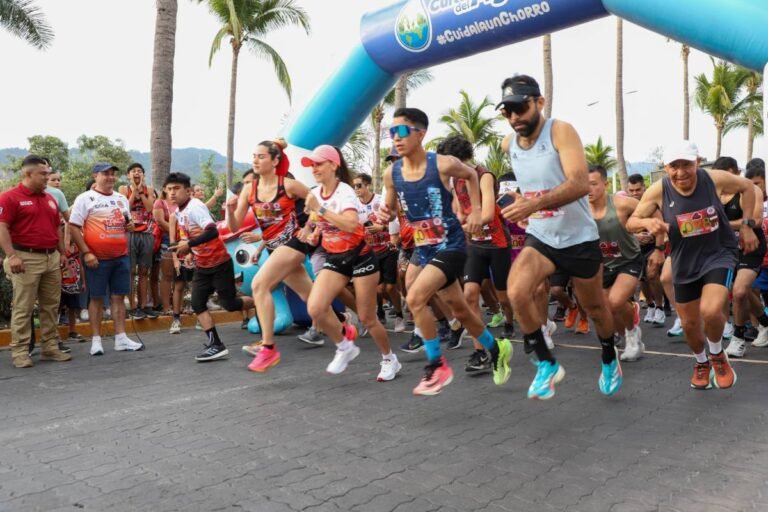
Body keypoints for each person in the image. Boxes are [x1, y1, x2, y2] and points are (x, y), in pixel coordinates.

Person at [497, 74, 621, 400]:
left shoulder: (560, 131)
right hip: (542, 236)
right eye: (507, 111)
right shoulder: (508, 145)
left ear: (538, 102)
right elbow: (527, 185)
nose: (514, 117)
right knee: (516, 290)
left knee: (595, 308)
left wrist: (532, 203)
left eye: (520, 108)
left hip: (579, 238)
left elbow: (580, 183)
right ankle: (546, 363)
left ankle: (609, 354)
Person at [379, 107, 512, 396]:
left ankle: (436, 365)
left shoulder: (442, 164)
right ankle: (496, 348)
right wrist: (383, 215)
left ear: (420, 133)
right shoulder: (392, 173)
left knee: (414, 296)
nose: (396, 138)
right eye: (392, 133)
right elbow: (390, 208)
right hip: (423, 247)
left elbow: (472, 175)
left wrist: (476, 210)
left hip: (451, 244)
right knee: (461, 310)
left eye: (401, 131)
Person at [627, 141, 757, 390]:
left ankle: (718, 354)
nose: (680, 172)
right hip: (684, 259)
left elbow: (748, 187)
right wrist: (647, 223)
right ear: (666, 167)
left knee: (710, 310)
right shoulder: (658, 190)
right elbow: (631, 221)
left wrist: (748, 226)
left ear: (696, 162)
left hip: (719, 253)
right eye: (674, 166)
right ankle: (701, 361)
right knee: (688, 323)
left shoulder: (713, 179)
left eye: (686, 164)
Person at [228, 140, 336, 370]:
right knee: (311, 298)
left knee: (259, 285)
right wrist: (229, 209)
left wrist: (310, 229)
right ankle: (345, 332)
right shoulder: (249, 190)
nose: (255, 160)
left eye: (261, 156)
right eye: (254, 156)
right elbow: (235, 224)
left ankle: (268, 348)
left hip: (295, 244)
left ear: (275, 160)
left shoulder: (289, 185)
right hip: (274, 249)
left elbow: (317, 203)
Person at [297, 146, 401, 380]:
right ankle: (345, 346)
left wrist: (319, 209)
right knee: (315, 307)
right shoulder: (315, 193)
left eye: (319, 163)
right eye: (311, 165)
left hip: (360, 256)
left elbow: (351, 225)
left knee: (367, 318)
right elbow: (316, 221)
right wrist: (311, 232)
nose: (314, 168)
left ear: (333, 165)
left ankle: (389, 359)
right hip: (335, 257)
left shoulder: (345, 192)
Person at [435, 135, 515, 367]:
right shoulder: (456, 181)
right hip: (474, 245)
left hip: (497, 242)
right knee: (470, 294)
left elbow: (488, 213)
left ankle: (509, 320)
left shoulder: (484, 176)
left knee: (503, 296)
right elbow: (458, 210)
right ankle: (479, 351)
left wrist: (463, 223)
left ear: (460, 160)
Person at [165, 172, 255, 361]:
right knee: (198, 304)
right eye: (169, 189)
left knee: (229, 304)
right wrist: (190, 252)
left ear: (188, 191)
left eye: (176, 188)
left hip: (220, 263)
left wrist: (188, 246)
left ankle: (262, 302)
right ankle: (216, 345)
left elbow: (212, 231)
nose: (172, 193)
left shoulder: (195, 207)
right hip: (202, 266)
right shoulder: (179, 212)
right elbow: (193, 236)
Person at [0, 155, 71, 368]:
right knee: (24, 306)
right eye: (43, 174)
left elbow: (57, 228)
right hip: (25, 258)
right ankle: (20, 351)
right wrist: (12, 255)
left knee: (51, 306)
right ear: (27, 174)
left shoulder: (50, 198)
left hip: (51, 257)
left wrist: (63, 253)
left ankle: (50, 347)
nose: (47, 177)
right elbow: (1, 226)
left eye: (48, 173)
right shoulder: (9, 197)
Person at [69, 163, 144, 356]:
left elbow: (127, 223)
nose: (110, 177)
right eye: (105, 174)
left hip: (121, 256)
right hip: (96, 258)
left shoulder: (121, 199)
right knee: (96, 299)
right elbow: (74, 227)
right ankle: (96, 341)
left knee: (119, 297)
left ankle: (121, 339)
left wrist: (130, 227)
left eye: (112, 174)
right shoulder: (85, 198)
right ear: (95, 176)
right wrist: (86, 252)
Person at [589, 165, 662, 361]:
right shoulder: (581, 209)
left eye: (593, 184)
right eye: (584, 184)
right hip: (603, 264)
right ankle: (624, 333)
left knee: (616, 301)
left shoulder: (622, 204)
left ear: (605, 184)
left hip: (628, 260)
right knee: (609, 308)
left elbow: (654, 212)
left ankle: (633, 336)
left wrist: (658, 246)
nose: (588, 189)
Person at [711, 157, 768, 357]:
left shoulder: (750, 191)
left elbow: (757, 220)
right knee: (744, 292)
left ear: (734, 172)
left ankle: (738, 338)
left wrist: (725, 224)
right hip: (726, 250)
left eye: (722, 175)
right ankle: (765, 322)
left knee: (741, 291)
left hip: (751, 247)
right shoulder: (714, 194)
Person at [353, 172, 406, 333]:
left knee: (389, 288)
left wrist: (381, 228)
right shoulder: (354, 205)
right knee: (377, 289)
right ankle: (380, 313)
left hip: (387, 247)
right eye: (354, 186)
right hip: (369, 251)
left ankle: (399, 315)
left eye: (359, 185)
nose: (356, 189)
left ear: (367, 185)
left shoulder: (380, 200)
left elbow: (394, 220)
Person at [118, 163, 158, 320]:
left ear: (143, 175)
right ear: (128, 175)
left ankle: (144, 306)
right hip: (130, 233)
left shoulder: (149, 189)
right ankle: (133, 307)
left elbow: (149, 209)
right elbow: (125, 207)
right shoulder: (123, 189)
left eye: (139, 171)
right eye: (133, 171)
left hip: (146, 233)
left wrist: (142, 192)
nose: (137, 173)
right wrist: (134, 190)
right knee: (130, 270)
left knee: (143, 271)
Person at [626, 173, 666, 326]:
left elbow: (662, 227)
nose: (635, 193)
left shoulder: (651, 204)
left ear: (644, 188)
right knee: (642, 278)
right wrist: (635, 236)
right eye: (632, 190)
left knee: (652, 274)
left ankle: (660, 308)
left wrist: (659, 249)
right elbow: (623, 228)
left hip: (653, 246)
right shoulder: (625, 206)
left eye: (638, 190)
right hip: (634, 249)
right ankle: (650, 306)